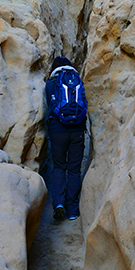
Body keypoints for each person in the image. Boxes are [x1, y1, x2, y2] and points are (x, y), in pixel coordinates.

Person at [45, 57, 87, 221]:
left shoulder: (51, 85)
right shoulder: (77, 82)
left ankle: (59, 204)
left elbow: (50, 107)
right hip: (77, 131)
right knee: (74, 169)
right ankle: (73, 210)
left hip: (57, 131)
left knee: (59, 167)